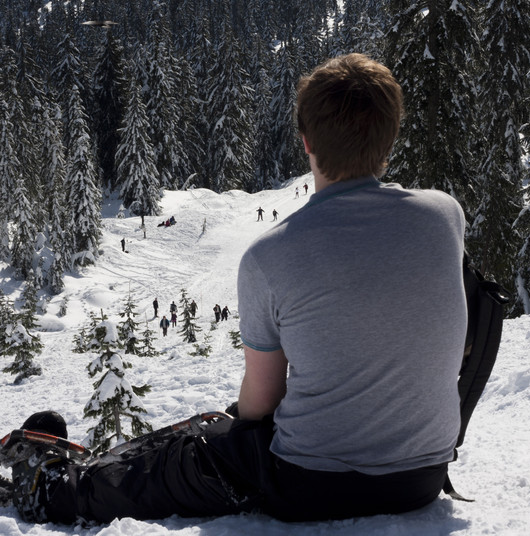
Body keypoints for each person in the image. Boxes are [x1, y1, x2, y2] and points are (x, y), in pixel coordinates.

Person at [9, 53, 466, 525]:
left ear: (306, 141)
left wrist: (240, 428)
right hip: (422, 476)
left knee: (186, 458)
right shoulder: (445, 216)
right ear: (390, 139)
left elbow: (261, 402)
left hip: (309, 483)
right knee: (216, 429)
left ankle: (56, 489)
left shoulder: (273, 254)